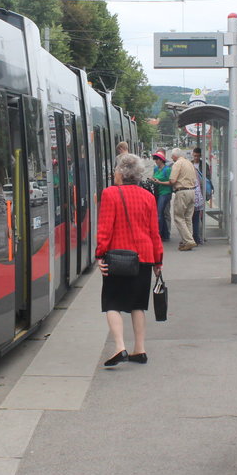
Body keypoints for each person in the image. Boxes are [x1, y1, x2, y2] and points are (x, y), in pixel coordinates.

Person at [96, 152, 163, 367]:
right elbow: (154, 232)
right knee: (137, 305)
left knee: (112, 303)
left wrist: (100, 254)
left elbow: (105, 229)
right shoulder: (148, 197)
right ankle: (139, 350)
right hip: (144, 257)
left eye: (116, 170)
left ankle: (120, 347)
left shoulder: (110, 194)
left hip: (118, 258)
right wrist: (158, 261)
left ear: (121, 173)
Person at [167, 147, 198, 250]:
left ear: (175, 156)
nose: (172, 158)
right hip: (192, 191)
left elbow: (172, 180)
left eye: (172, 156)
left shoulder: (178, 163)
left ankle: (189, 241)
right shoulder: (189, 163)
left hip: (182, 192)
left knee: (179, 217)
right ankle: (188, 241)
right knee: (188, 218)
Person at [150, 150, 173, 241]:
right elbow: (154, 177)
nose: (155, 161)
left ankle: (158, 234)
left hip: (165, 193)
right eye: (155, 159)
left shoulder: (167, 169)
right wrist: (152, 180)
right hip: (158, 192)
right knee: (161, 214)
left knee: (159, 214)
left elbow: (171, 182)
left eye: (157, 159)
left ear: (161, 160)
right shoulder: (156, 169)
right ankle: (165, 234)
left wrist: (160, 182)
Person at [191, 147, 211, 245]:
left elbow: (208, 177)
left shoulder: (204, 165)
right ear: (192, 154)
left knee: (201, 215)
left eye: (198, 156)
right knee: (193, 215)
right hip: (192, 191)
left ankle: (201, 235)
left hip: (201, 192)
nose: (196, 158)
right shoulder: (190, 164)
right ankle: (195, 234)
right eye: (195, 156)